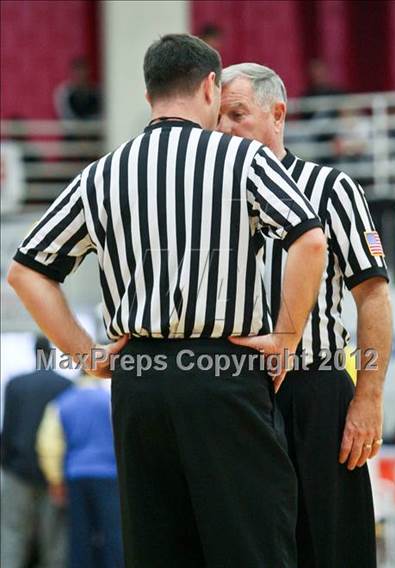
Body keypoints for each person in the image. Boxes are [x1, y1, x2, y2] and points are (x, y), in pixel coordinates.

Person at [7, 34, 327, 567]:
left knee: (158, 550)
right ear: (209, 86)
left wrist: (88, 355)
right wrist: (287, 338)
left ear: (150, 90)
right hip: (225, 368)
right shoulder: (241, 157)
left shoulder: (103, 173)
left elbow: (26, 273)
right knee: (252, 545)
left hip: (140, 380)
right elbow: (310, 240)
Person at [218, 63, 392, 568]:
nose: (225, 128)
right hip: (235, 391)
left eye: (238, 115)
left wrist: (369, 397)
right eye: (218, 117)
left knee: (331, 543)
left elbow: (374, 297)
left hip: (316, 388)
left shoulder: (330, 188)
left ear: (278, 114)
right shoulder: (209, 199)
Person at [36, 374, 123, 568]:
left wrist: (55, 479)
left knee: (80, 536)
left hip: (76, 475)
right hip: (109, 474)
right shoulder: (109, 399)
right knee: (114, 534)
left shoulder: (62, 402)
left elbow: (49, 444)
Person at [1, 336, 71, 568]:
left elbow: (8, 428)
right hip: (53, 475)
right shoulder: (64, 385)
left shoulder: (15, 384)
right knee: (53, 539)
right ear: (50, 353)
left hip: (17, 472)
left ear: (34, 352)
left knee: (12, 533)